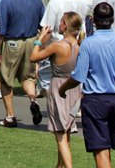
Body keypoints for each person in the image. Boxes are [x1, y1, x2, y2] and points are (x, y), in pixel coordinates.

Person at [59, 3, 115, 168]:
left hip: (95, 101)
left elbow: (78, 76)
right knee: (105, 147)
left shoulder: (89, 43)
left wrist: (63, 88)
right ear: (113, 19)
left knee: (100, 149)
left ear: (93, 20)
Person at [0, 0, 45, 128]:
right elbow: (42, 24)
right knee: (28, 77)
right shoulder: (36, 0)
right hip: (31, 40)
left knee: (6, 79)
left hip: (13, 42)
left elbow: (1, 31)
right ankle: (32, 99)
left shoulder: (7, 2)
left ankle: (10, 115)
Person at [30, 12, 82, 168]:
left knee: (60, 135)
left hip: (59, 88)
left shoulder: (58, 46)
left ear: (65, 25)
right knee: (66, 133)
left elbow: (34, 57)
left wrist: (40, 39)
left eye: (61, 22)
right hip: (74, 89)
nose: (59, 25)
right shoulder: (79, 46)